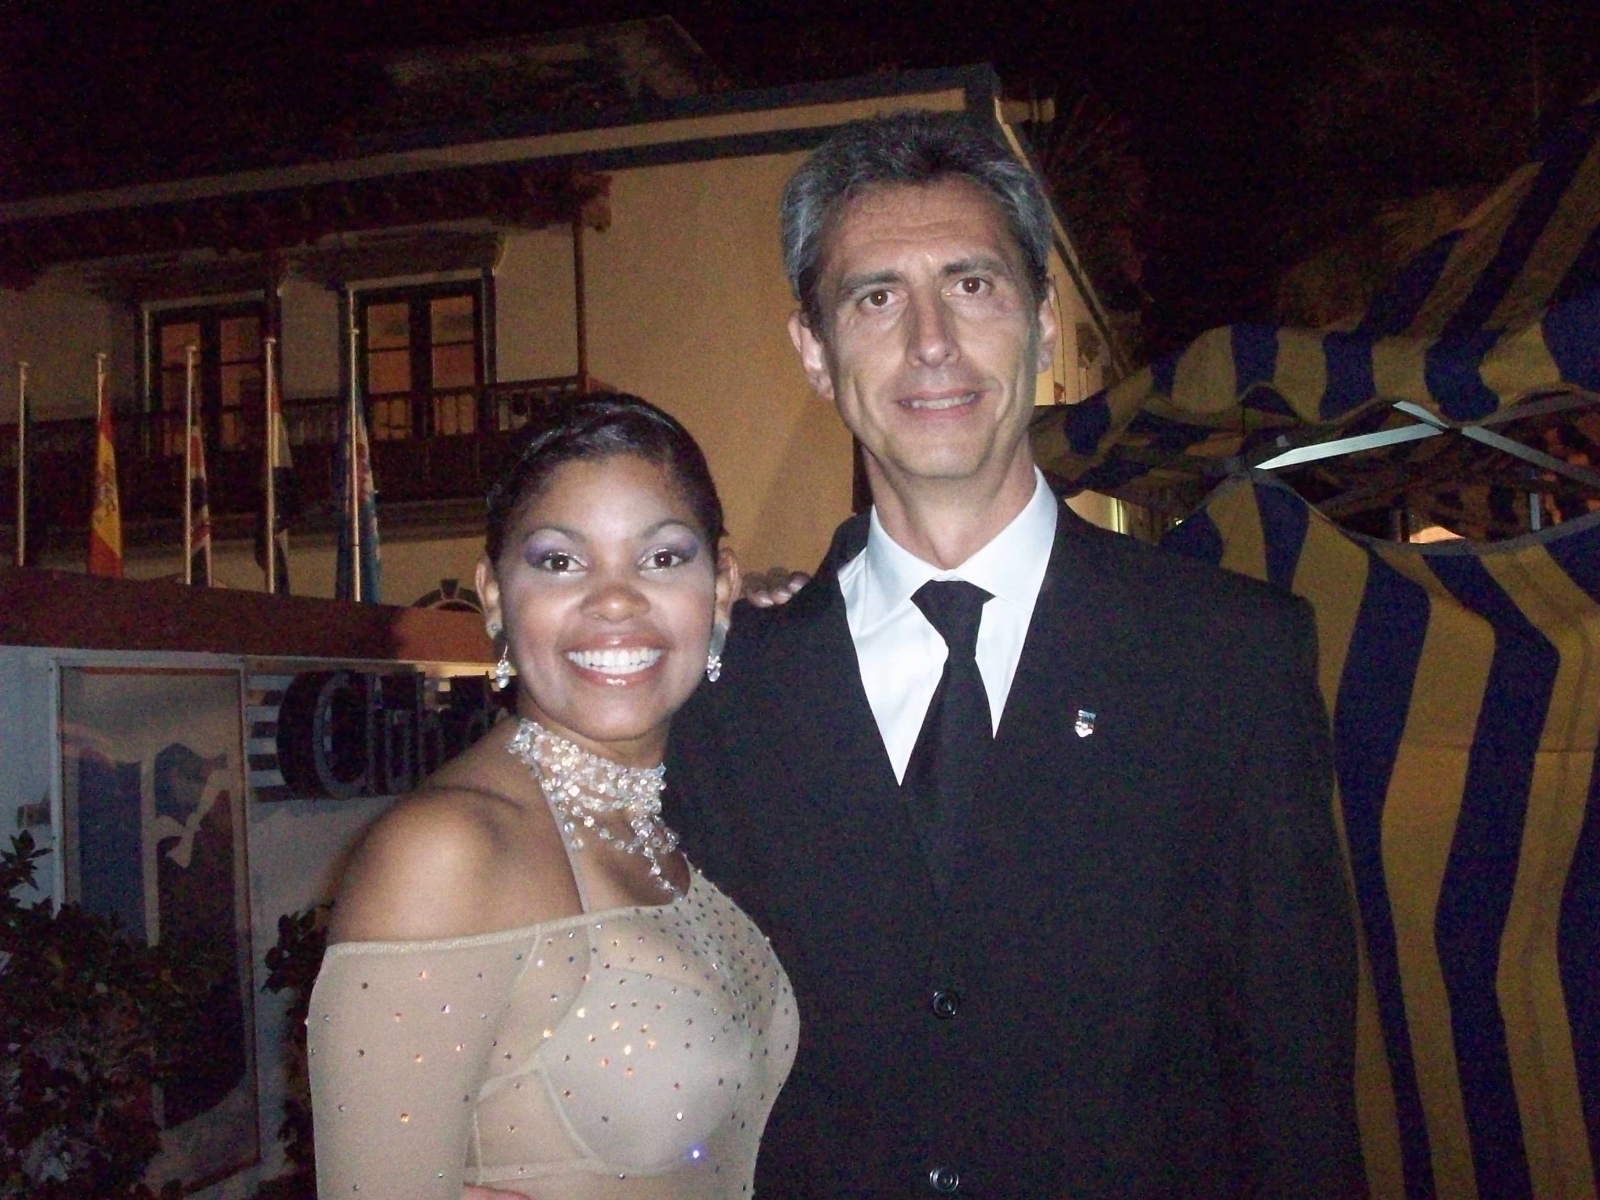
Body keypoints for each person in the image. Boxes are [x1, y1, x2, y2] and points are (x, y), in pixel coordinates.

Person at [664, 111, 1364, 1198]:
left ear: (1040, 323)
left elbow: (1293, 1084)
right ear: (813, 351)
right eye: (876, 297)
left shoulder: (1231, 661)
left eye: (972, 284)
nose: (930, 341)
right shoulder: (723, 689)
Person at [307, 393, 797, 1199]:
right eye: (561, 561)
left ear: (720, 588)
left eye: (662, 557)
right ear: (495, 597)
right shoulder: (444, 854)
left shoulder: (670, 819)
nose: (616, 600)